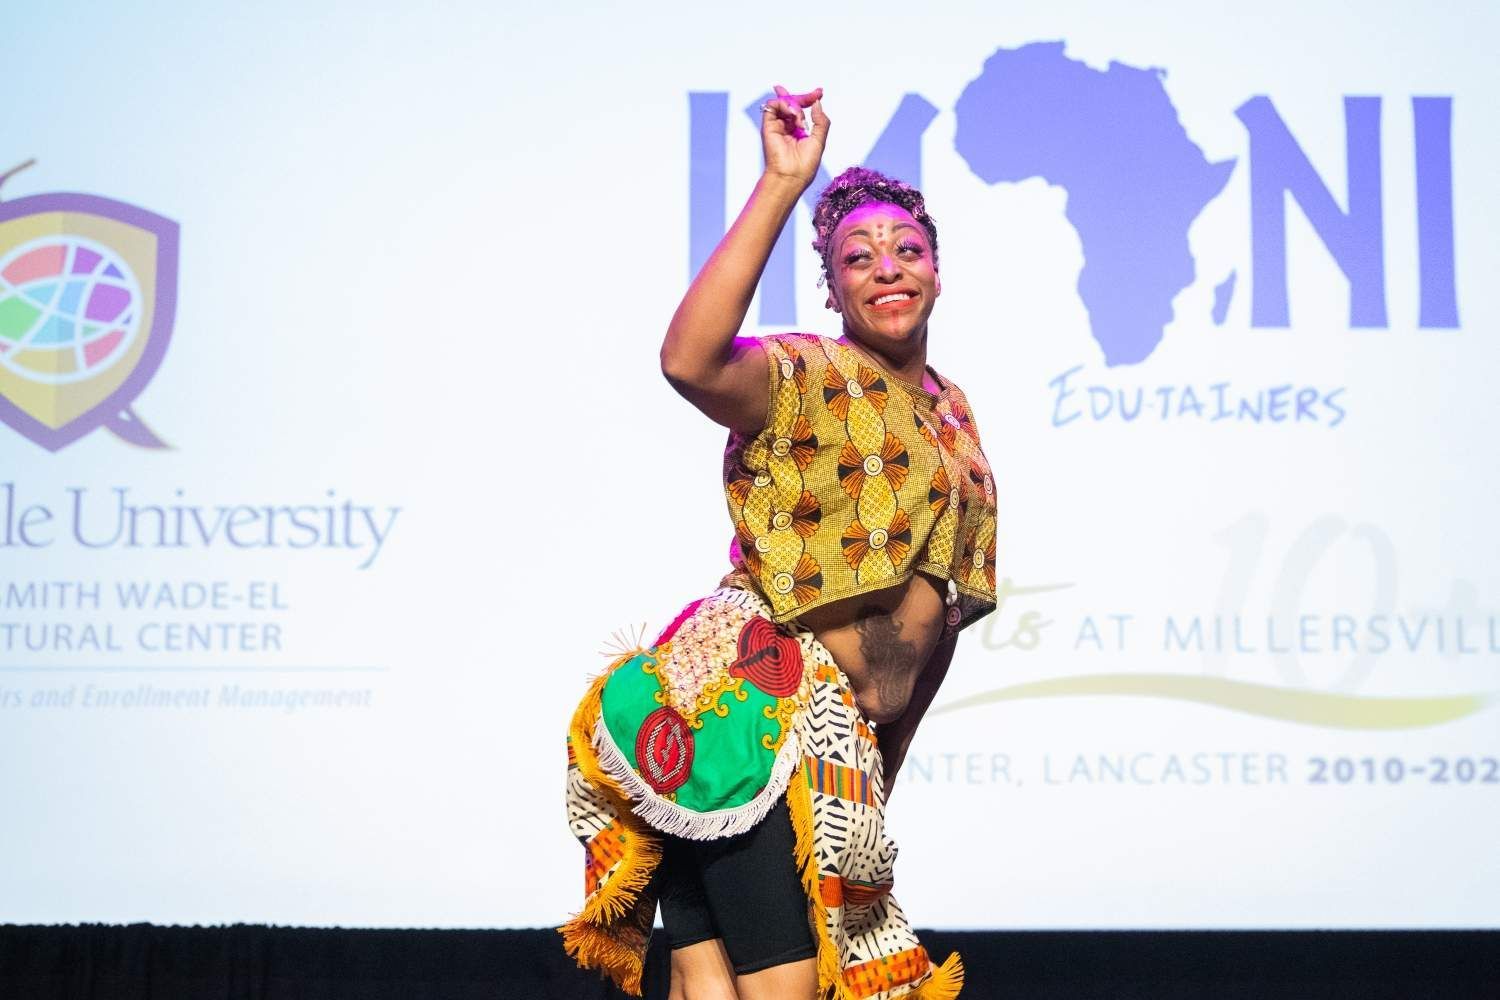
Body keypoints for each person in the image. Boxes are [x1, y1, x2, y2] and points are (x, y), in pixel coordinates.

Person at [562, 84, 996, 1000]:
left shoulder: (955, 421)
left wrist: (883, 767)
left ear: (939, 272)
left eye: (908, 250)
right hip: (751, 713)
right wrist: (782, 181)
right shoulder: (805, 373)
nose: (887, 268)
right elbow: (689, 360)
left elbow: (943, 624)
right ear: (832, 286)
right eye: (858, 257)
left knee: (711, 991)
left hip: (829, 746)